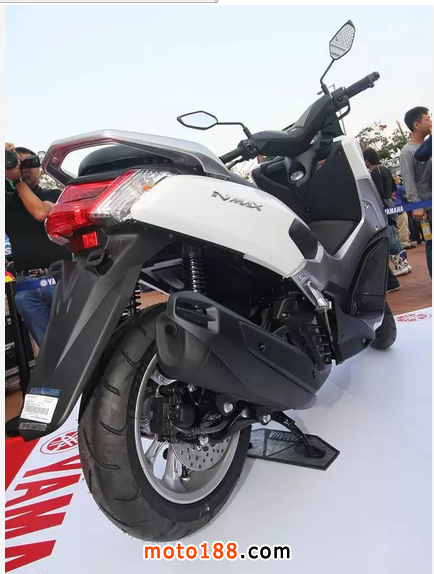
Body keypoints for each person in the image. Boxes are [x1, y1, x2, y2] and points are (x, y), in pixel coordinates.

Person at [5, 143, 70, 436]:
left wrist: (17, 180)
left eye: (30, 162)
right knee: (48, 353)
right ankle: (44, 412)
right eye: (17, 163)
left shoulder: (53, 196)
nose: (24, 168)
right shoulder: (7, 202)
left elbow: (41, 214)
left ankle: (91, 397)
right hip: (26, 289)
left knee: (74, 344)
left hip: (60, 282)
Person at [363, 148, 411, 281]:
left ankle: (400, 264)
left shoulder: (375, 172)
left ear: (367, 160)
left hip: (383, 206)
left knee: (390, 236)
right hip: (391, 203)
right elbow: (393, 188)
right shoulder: (385, 169)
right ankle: (403, 263)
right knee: (394, 233)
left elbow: (378, 192)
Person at [399, 107, 432, 277]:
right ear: (417, 125)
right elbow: (409, 181)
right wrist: (417, 205)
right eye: (427, 119)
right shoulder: (407, 152)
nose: (431, 121)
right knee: (431, 243)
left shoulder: (429, 146)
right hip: (427, 206)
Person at [392, 174, 417, 249]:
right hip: (401, 208)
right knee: (403, 226)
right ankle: (404, 242)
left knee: (396, 228)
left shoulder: (390, 189)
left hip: (392, 209)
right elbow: (407, 196)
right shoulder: (400, 188)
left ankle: (401, 242)